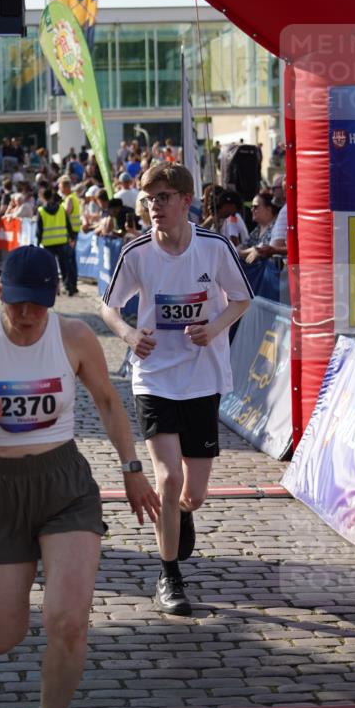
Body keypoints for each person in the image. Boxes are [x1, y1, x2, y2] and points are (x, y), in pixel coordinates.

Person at [0, 245, 160, 708]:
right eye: (16, 303)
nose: (26, 316)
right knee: (0, 636)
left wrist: (132, 469)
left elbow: (108, 402)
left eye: (37, 305)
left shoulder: (73, 336)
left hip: (65, 486)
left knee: (68, 618)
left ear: (51, 298)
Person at [101, 164, 252, 616]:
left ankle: (182, 512)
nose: (153, 207)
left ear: (186, 200)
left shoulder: (214, 247)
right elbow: (108, 306)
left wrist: (215, 326)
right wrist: (129, 336)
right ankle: (169, 576)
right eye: (149, 200)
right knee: (167, 480)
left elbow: (242, 298)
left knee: (193, 493)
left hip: (203, 377)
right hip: (154, 378)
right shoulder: (138, 252)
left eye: (163, 198)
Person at [37, 185, 76, 295]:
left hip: (48, 243)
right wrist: (72, 236)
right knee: (64, 265)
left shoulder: (41, 211)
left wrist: (37, 242)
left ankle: (53, 288)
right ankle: (68, 287)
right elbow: (68, 225)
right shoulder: (61, 209)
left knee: (50, 267)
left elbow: (39, 230)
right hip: (62, 241)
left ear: (43, 198)